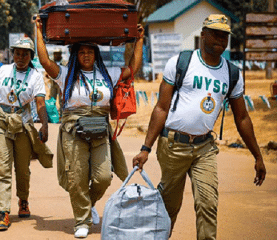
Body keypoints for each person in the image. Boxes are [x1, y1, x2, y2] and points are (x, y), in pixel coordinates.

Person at [132, 14, 267, 240]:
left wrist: (258, 156)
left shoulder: (232, 73)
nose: (221, 40)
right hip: (173, 145)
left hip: (205, 148)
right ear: (202, 34)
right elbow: (161, 109)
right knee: (169, 207)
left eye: (225, 36)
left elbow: (242, 117)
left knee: (208, 204)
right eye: (215, 34)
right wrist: (145, 148)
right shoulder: (180, 62)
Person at [36, 16, 144, 238]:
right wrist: (38, 29)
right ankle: (82, 221)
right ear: (75, 55)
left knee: (103, 177)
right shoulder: (66, 75)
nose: (86, 55)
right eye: (82, 52)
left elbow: (133, 68)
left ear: (96, 55)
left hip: (100, 131)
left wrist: (140, 40)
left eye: (90, 52)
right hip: (73, 132)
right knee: (77, 177)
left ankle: (87, 204)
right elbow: (45, 61)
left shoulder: (108, 75)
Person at [0, 37, 53, 232]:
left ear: (31, 56)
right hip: (1, 121)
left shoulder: (35, 76)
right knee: (2, 167)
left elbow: (40, 103)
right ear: (12, 54)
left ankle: (23, 200)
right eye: (17, 53)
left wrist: (44, 124)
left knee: (22, 168)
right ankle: (4, 212)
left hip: (23, 125)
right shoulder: (4, 70)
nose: (21, 57)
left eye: (25, 54)